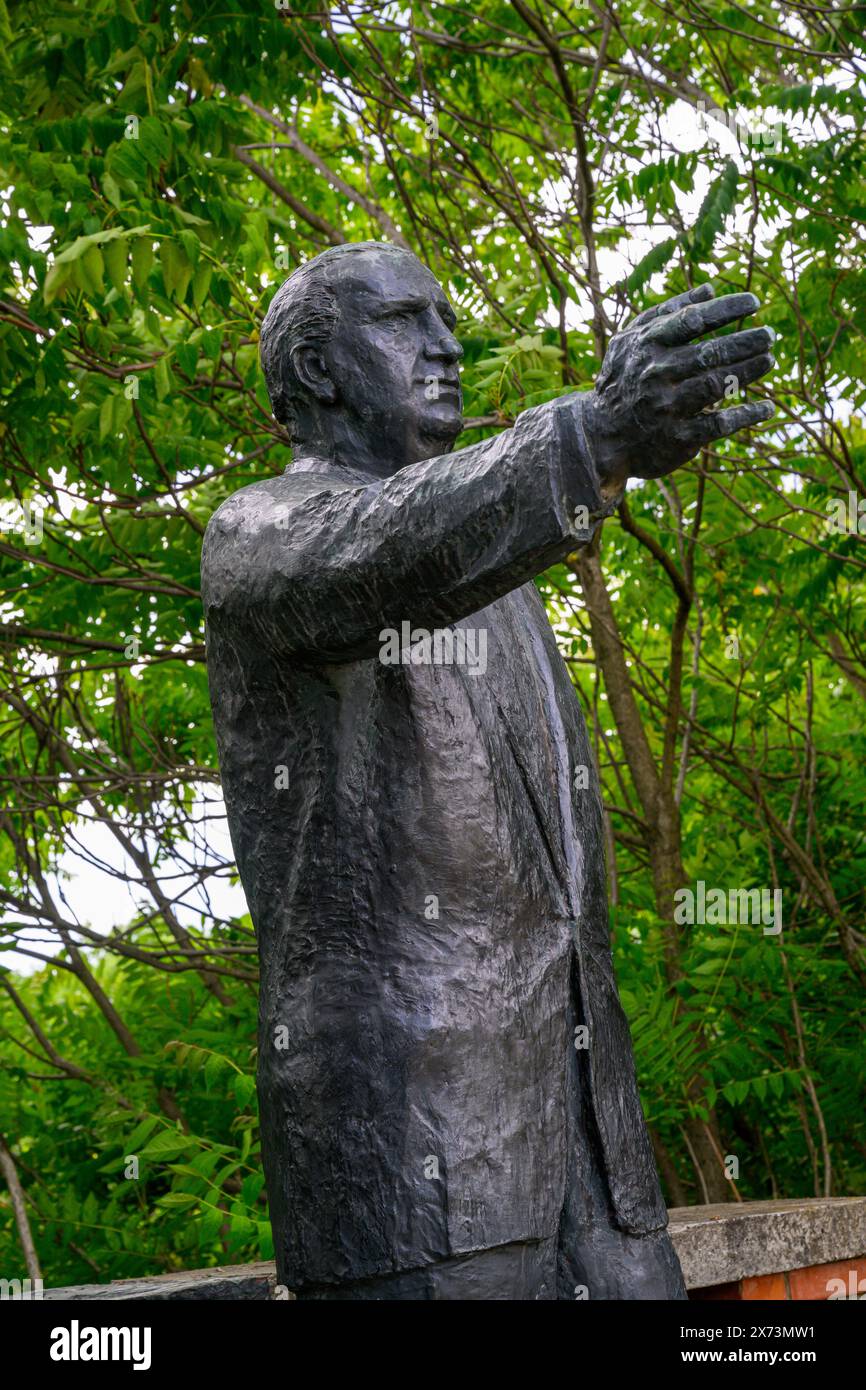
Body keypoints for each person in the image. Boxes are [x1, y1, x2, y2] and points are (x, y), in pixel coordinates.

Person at [201, 241, 774, 1299]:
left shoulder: (498, 579)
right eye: (402, 321)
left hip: (591, 1155)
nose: (446, 344)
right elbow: (391, 544)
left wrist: (594, 446)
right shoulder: (262, 529)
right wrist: (592, 434)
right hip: (414, 1157)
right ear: (320, 371)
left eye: (445, 317)